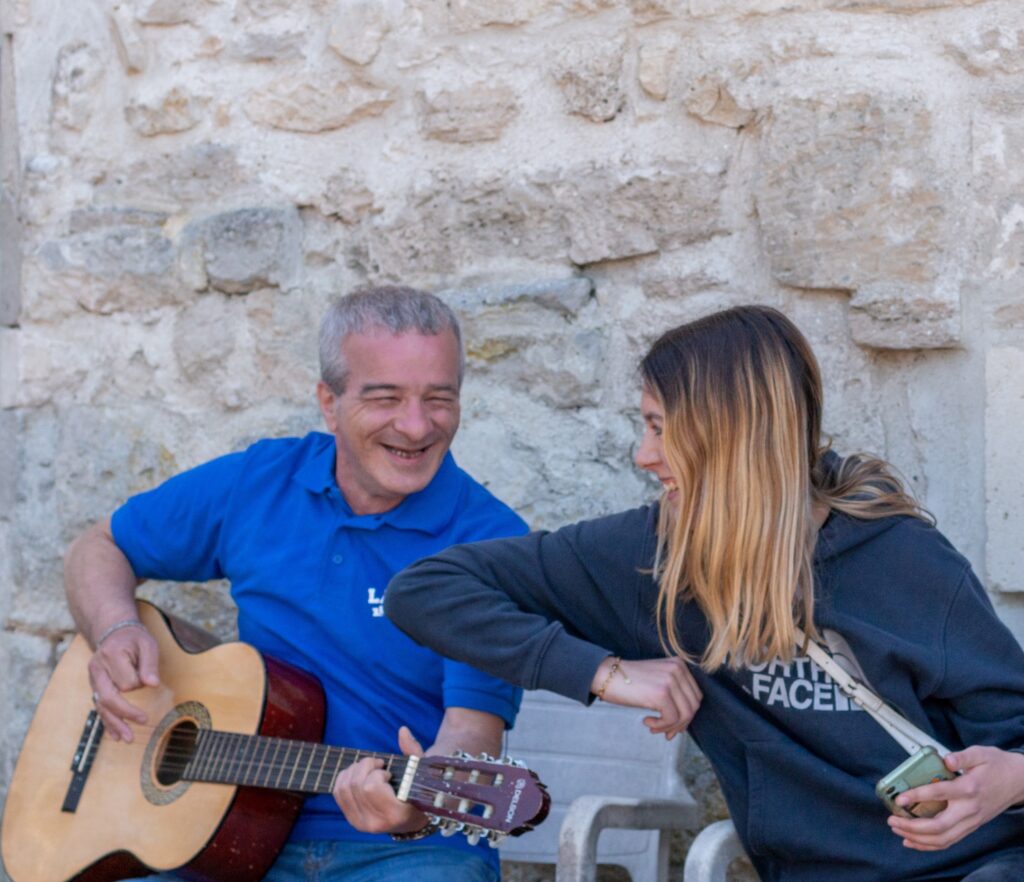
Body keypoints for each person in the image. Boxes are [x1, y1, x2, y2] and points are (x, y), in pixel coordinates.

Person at [385, 304, 1024, 882]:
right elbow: (425, 591)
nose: (643, 454)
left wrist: (1008, 780)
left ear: (728, 437)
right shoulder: (650, 558)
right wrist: (605, 674)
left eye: (661, 428)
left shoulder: (903, 559)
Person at [64, 286, 527, 882]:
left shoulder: (492, 547)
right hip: (218, 831)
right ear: (328, 403)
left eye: (439, 399)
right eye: (385, 398)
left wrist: (411, 811)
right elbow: (97, 548)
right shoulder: (260, 482)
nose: (416, 427)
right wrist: (117, 629)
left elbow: (470, 741)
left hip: (408, 854)